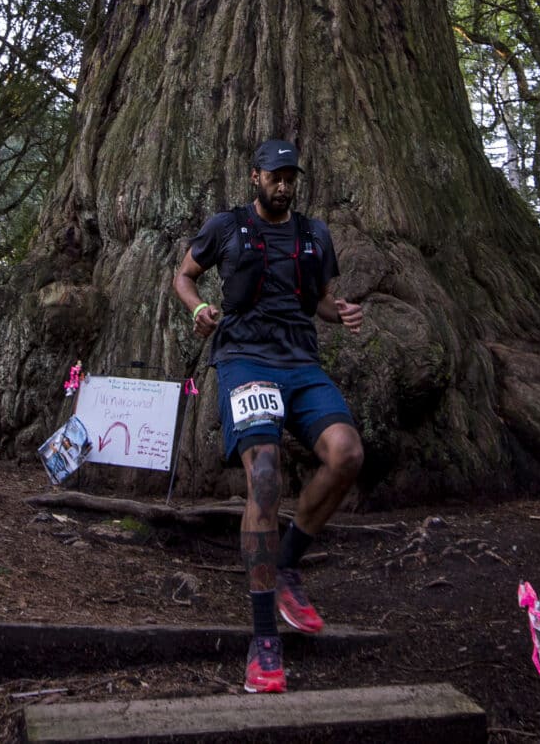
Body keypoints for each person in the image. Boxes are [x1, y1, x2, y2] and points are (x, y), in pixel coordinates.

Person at [170, 138, 366, 694]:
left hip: (301, 361)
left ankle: (286, 565)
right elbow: (183, 276)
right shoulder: (224, 227)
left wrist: (341, 311)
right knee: (263, 477)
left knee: (347, 453)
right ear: (255, 177)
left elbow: (319, 302)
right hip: (244, 359)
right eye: (274, 175)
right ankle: (263, 639)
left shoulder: (314, 234)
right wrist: (200, 307)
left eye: (290, 176)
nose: (283, 184)